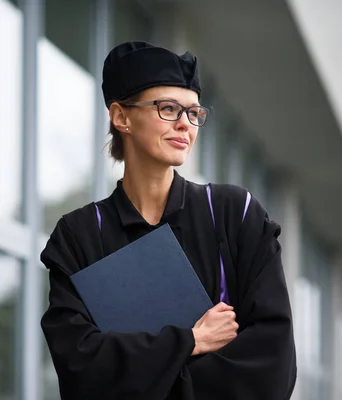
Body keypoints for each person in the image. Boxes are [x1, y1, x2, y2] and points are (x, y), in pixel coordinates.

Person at [40, 41, 297, 400]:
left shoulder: (234, 215)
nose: (185, 125)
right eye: (168, 108)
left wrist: (147, 371)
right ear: (121, 117)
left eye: (194, 113)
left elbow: (273, 367)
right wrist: (191, 340)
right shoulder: (79, 236)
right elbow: (81, 369)